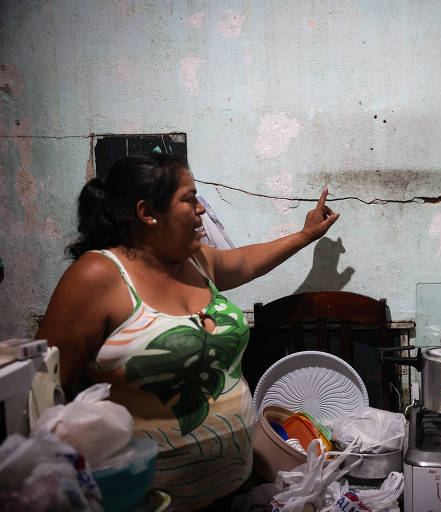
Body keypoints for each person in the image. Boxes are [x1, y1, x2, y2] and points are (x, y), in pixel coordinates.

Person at [36, 153, 339, 511]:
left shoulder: (197, 261)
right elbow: (42, 395)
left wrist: (306, 235)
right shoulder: (97, 276)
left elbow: (246, 262)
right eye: (189, 199)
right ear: (148, 213)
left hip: (233, 489)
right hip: (149, 499)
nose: (201, 210)